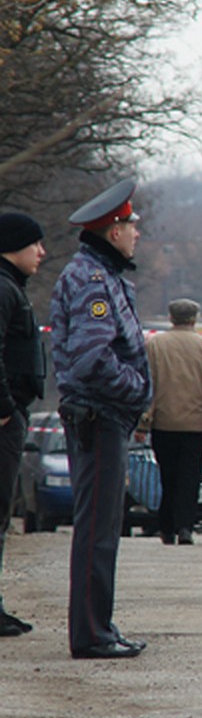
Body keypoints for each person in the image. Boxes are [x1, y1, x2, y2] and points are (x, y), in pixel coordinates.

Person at [50, 178, 152, 659]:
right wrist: (136, 391)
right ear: (112, 231)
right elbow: (92, 357)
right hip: (99, 415)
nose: (137, 232)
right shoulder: (93, 280)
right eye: (131, 224)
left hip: (105, 415)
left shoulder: (101, 274)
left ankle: (101, 627)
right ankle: (92, 634)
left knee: (105, 527)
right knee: (96, 529)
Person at [0, 213, 46, 637]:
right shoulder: (3, 288)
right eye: (35, 244)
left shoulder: (12, 288)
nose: (42, 252)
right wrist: (4, 408)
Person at [143, 298, 202, 546]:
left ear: (170, 318)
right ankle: (185, 526)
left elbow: (147, 384)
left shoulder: (155, 345)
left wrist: (143, 422)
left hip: (164, 422)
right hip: (196, 425)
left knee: (167, 476)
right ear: (195, 319)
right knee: (190, 478)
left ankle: (165, 527)